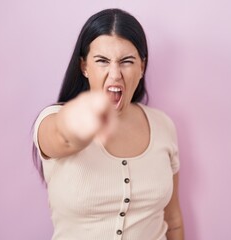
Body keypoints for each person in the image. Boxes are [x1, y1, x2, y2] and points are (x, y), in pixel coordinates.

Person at [33, 8, 184, 240]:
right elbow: (62, 136)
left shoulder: (163, 125)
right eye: (102, 61)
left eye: (126, 61)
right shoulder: (51, 120)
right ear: (84, 66)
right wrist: (84, 119)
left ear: (141, 67)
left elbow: (173, 221)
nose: (115, 74)